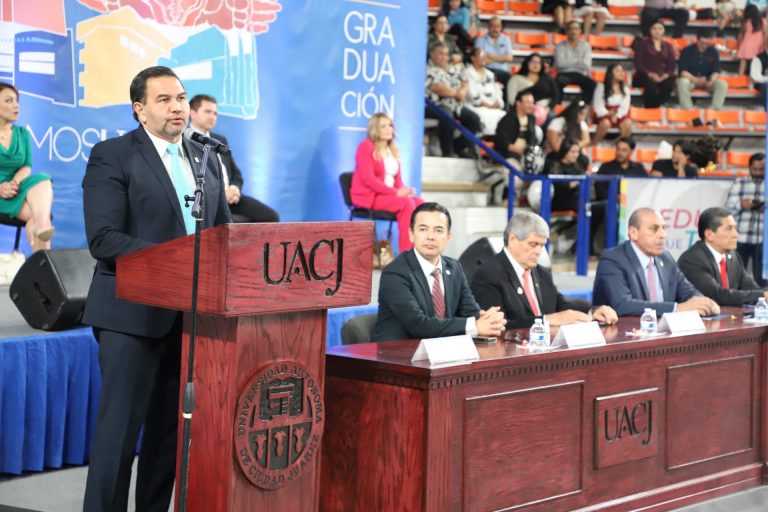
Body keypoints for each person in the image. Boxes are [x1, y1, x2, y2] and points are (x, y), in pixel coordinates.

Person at [81, 66, 232, 512]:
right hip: (130, 315)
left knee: (169, 438)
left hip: (190, 319)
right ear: (139, 110)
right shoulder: (113, 155)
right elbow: (103, 240)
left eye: (181, 98)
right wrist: (178, 261)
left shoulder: (206, 159)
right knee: (118, 440)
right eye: (163, 99)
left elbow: (223, 234)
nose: (176, 107)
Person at [372, 202, 506, 341]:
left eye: (438, 230)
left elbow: (470, 312)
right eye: (423, 229)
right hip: (398, 351)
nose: (431, 236)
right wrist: (475, 326)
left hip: (442, 349)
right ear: (411, 234)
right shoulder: (395, 273)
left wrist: (488, 320)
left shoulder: (454, 268)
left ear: (448, 237)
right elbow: (418, 325)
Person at [472, 210, 618, 328]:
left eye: (542, 245)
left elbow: (560, 305)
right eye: (533, 244)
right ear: (512, 239)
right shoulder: (488, 275)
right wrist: (546, 320)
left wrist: (593, 311)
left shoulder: (541, 272)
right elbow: (499, 326)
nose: (539, 252)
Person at [592, 208, 720, 316]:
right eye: (654, 229)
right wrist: (676, 308)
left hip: (664, 332)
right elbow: (622, 305)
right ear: (633, 233)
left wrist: (704, 303)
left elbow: (688, 291)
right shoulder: (613, 259)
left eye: (664, 228)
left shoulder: (665, 258)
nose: (662, 235)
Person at [188, 94, 278, 223]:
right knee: (233, 224)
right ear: (192, 113)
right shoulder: (185, 142)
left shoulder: (220, 140)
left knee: (271, 216)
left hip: (232, 198)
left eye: (215, 113)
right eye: (207, 111)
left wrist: (235, 188)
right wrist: (221, 194)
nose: (212, 117)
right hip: (209, 202)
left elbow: (236, 175)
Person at [350, 112, 424, 252]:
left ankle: (420, 249)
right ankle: (407, 255)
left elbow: (398, 181)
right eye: (383, 126)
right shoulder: (365, 147)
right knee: (407, 204)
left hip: (388, 195)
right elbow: (368, 179)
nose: (389, 129)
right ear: (374, 130)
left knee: (420, 203)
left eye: (390, 125)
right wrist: (396, 193)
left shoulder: (393, 150)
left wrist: (404, 191)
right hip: (370, 196)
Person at [0, 82, 54, 252]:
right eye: (9, 100)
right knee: (39, 217)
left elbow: (26, 166)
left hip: (15, 189)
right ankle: (42, 229)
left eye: (17, 101)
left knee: (42, 177)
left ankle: (42, 227)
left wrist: (14, 183)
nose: (16, 105)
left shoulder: (23, 133)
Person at [678, 207, 767, 306]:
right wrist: (763, 295)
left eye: (735, 228)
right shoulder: (692, 260)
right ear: (709, 235)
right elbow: (718, 295)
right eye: (729, 229)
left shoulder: (733, 256)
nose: (736, 234)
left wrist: (764, 294)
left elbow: (751, 288)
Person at [426, 42, 482, 158]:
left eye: (446, 54)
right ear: (432, 54)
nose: (444, 57)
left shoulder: (452, 68)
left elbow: (465, 81)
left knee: (474, 120)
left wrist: (463, 91)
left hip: (456, 104)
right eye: (440, 54)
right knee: (447, 116)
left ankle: (459, 147)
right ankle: (447, 150)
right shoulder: (426, 69)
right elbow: (437, 88)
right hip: (434, 104)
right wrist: (457, 93)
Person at [725, 152, 766, 286]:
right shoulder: (740, 183)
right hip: (740, 237)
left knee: (762, 279)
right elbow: (728, 209)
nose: (758, 173)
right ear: (749, 168)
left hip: (763, 240)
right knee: (735, 277)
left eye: (761, 170)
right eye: (755, 169)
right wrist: (742, 205)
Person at [676, 29, 728, 111]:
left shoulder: (713, 52)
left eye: (707, 43)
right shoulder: (687, 51)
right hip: (691, 79)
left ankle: (714, 110)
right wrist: (695, 79)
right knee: (682, 82)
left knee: (722, 84)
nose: (704, 45)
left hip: (707, 81)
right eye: (702, 43)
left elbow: (716, 70)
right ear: (697, 40)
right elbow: (682, 72)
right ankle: (688, 109)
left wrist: (711, 80)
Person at [633, 21, 677, 109]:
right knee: (651, 85)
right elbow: (638, 63)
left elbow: (672, 65)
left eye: (660, 29)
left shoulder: (668, 46)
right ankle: (649, 109)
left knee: (668, 86)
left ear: (664, 31)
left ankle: (653, 108)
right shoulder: (642, 44)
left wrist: (666, 75)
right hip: (645, 75)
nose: (657, 31)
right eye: (654, 28)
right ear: (650, 30)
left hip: (663, 76)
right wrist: (650, 74)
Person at [463, 48, 506, 136]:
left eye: (485, 56)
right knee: (485, 117)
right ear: (473, 58)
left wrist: (498, 103)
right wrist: (488, 105)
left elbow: (497, 91)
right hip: (474, 106)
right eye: (481, 55)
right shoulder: (467, 73)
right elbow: (471, 94)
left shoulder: (490, 74)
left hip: (493, 107)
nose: (484, 58)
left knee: (505, 116)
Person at [495, 90, 540, 168]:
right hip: (509, 155)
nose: (531, 105)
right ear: (518, 103)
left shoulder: (531, 118)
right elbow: (502, 142)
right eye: (528, 102)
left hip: (527, 156)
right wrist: (520, 151)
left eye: (532, 102)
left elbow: (533, 138)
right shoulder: (507, 119)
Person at [506, 53, 561, 118]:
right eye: (533, 61)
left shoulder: (548, 79)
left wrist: (546, 110)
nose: (535, 64)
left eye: (538, 62)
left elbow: (556, 97)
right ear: (527, 63)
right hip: (523, 111)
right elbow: (511, 100)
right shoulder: (516, 79)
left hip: (546, 111)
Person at [554, 21, 596, 103]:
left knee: (592, 84)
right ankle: (557, 106)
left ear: (580, 31)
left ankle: (583, 106)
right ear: (567, 31)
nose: (573, 31)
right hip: (564, 74)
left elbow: (586, 64)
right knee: (556, 84)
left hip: (580, 74)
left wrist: (568, 61)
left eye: (576, 29)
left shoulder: (586, 45)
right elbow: (560, 64)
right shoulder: (560, 46)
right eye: (571, 29)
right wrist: (578, 60)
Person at [592, 63, 632, 145]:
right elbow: (598, 106)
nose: (621, 73)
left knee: (627, 123)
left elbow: (625, 107)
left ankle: (622, 145)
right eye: (618, 71)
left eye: (622, 71)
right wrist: (609, 114)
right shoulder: (601, 87)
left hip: (619, 114)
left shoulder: (625, 89)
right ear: (611, 73)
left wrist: (617, 115)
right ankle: (594, 144)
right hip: (604, 114)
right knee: (605, 123)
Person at [544, 138, 586, 212]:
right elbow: (556, 187)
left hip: (577, 201)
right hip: (560, 202)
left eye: (577, 152)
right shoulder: (555, 167)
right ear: (565, 151)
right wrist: (570, 185)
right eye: (572, 152)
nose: (576, 155)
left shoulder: (578, 167)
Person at [474, 17, 514, 85]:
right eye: (493, 26)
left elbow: (509, 58)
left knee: (511, 80)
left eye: (497, 26)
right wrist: (502, 58)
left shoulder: (506, 39)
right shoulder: (480, 40)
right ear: (488, 27)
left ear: (501, 27)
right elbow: (479, 60)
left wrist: (490, 55)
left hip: (503, 72)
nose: (495, 29)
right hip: (486, 70)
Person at [736, 4, 767, 76]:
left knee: (743, 63)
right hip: (758, 45)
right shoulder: (762, 21)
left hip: (746, 44)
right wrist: (765, 45)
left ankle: (740, 78)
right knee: (756, 64)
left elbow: (741, 35)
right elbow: (765, 34)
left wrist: (738, 44)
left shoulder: (746, 22)